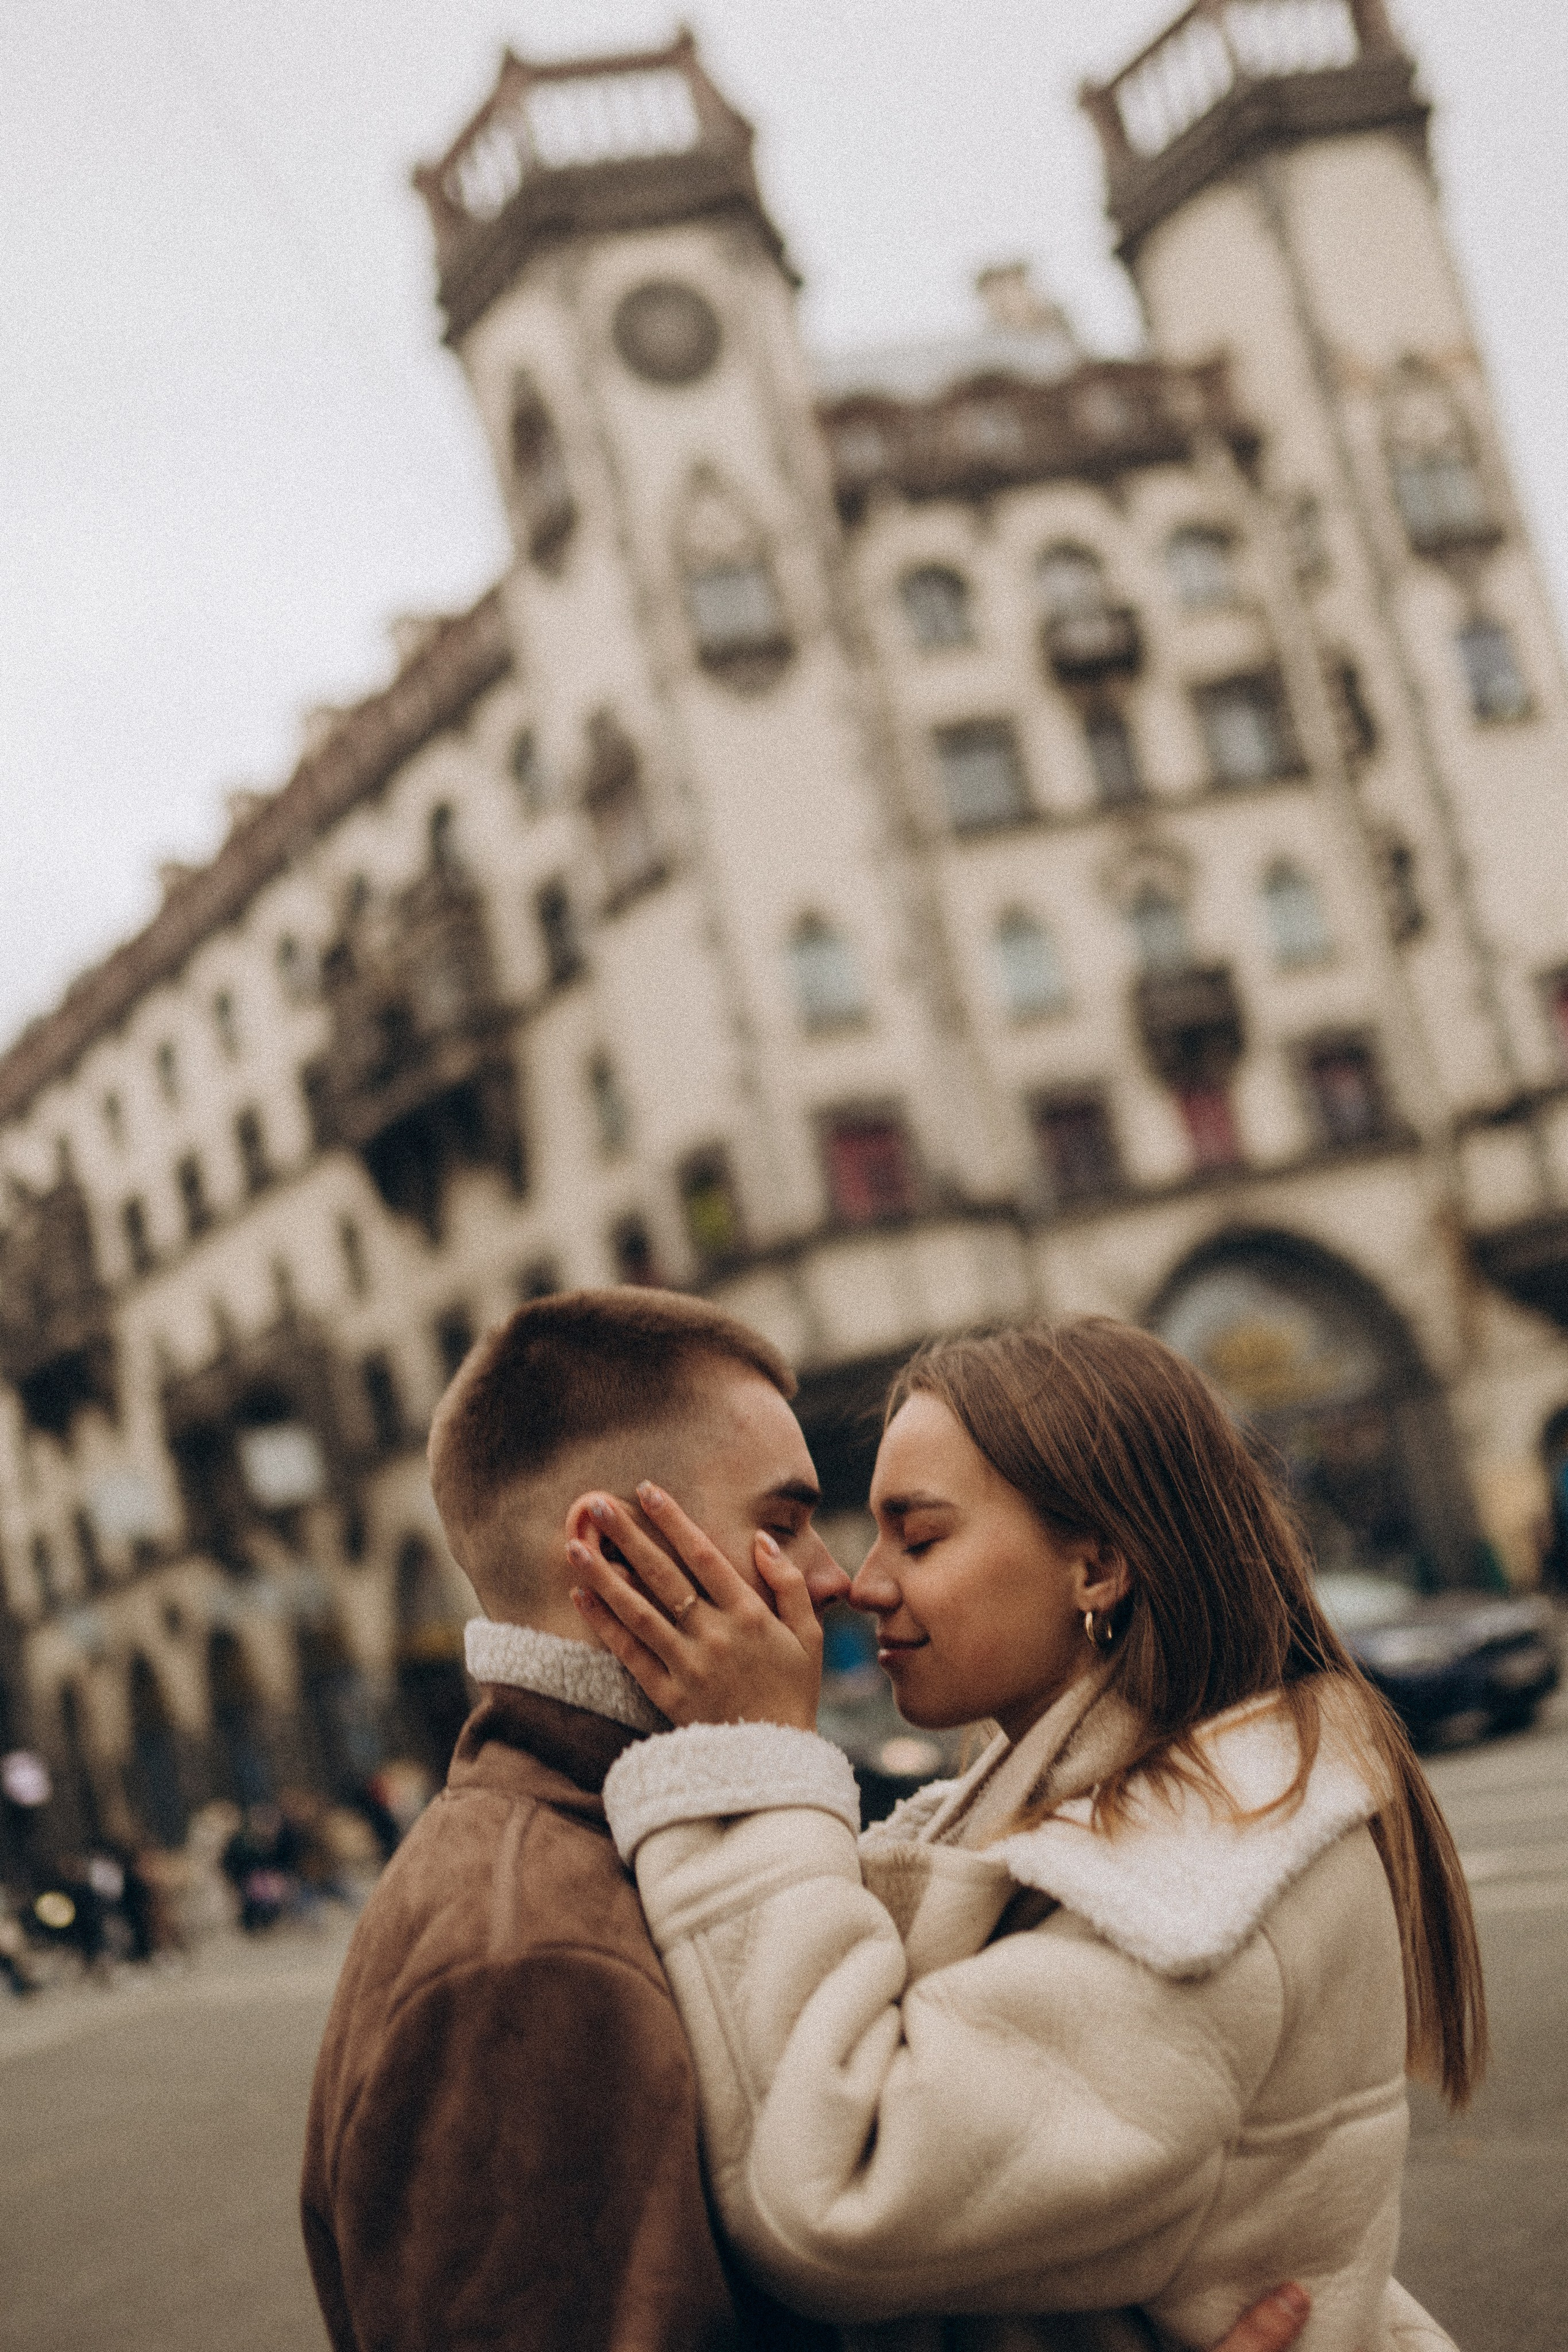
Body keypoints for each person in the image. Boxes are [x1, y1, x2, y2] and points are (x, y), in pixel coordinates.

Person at [301, 1289, 1324, 2352]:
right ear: (610, 1556)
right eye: (784, 1525)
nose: (837, 1578)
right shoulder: (529, 1947)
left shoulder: (611, 1845)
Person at [577, 1317, 1479, 2352]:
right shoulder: (1118, 1814)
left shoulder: (1202, 1876)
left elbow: (839, 2189)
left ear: (1096, 1568)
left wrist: (748, 1756)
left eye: (920, 1538)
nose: (866, 1584)